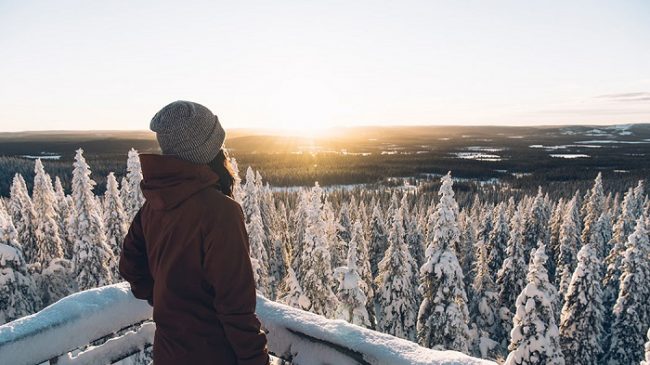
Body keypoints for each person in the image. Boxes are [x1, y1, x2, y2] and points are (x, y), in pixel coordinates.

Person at [119, 100, 270, 365]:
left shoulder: (156, 202)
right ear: (207, 151)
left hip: (168, 353)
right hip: (214, 355)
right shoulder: (221, 213)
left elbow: (130, 265)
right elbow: (236, 308)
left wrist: (165, 299)